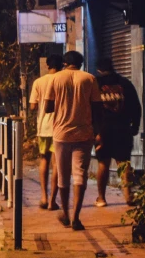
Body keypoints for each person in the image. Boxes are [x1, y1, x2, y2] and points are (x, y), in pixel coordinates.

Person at [44, 50, 103, 231]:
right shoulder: (90, 79)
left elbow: (47, 107)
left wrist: (62, 102)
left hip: (61, 133)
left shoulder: (55, 79)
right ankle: (76, 217)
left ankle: (65, 213)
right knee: (80, 174)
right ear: (81, 63)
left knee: (63, 175)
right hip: (84, 133)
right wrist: (98, 132)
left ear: (64, 63)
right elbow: (97, 108)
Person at [94, 57, 142, 207]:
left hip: (103, 131)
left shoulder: (95, 85)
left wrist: (94, 131)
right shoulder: (125, 83)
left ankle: (101, 198)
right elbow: (136, 106)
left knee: (103, 164)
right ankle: (128, 196)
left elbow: (91, 110)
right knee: (124, 164)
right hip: (123, 129)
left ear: (98, 70)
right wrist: (135, 126)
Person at [29, 53, 63, 210]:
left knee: (44, 160)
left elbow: (33, 106)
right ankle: (52, 201)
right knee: (57, 164)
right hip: (60, 127)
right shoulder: (62, 80)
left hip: (43, 128)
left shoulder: (38, 82)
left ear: (48, 65)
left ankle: (43, 196)